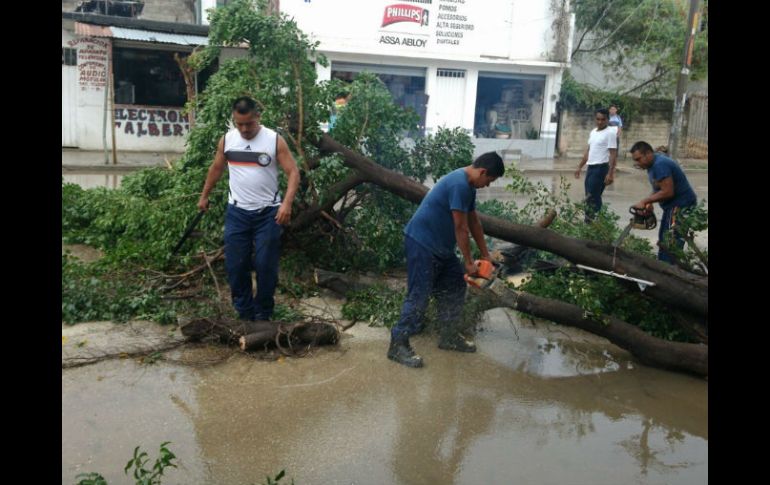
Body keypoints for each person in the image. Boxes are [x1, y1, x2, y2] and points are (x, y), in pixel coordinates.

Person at [387, 152, 505, 368]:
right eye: (489, 181)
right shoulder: (459, 185)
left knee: (455, 285)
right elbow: (460, 227)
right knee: (419, 296)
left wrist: (486, 255)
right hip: (421, 244)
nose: (487, 185)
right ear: (483, 172)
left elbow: (474, 223)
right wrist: (469, 262)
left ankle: (448, 336)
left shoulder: (468, 186)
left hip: (441, 248)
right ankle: (398, 343)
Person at [197, 96, 300, 321]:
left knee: (265, 265)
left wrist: (287, 203)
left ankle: (264, 312)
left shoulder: (274, 140)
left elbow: (293, 172)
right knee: (236, 264)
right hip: (237, 213)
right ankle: (244, 312)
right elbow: (216, 169)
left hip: (269, 214)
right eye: (239, 123)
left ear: (257, 117)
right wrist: (204, 196)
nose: (244, 129)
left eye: (248, 123)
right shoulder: (227, 140)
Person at [629, 141, 697, 264]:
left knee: (670, 242)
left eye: (639, 159)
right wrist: (650, 203)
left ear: (648, 153)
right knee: (665, 239)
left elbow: (668, 192)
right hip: (673, 206)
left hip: (680, 205)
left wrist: (645, 200)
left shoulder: (660, 165)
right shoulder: (653, 165)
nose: (637, 163)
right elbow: (659, 188)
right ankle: (663, 268)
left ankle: (669, 274)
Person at [574, 108, 617, 222]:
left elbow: (613, 154)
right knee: (590, 195)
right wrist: (579, 166)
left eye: (603, 119)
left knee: (592, 197)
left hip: (601, 168)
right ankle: (594, 220)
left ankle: (591, 221)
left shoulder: (610, 133)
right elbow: (589, 151)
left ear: (607, 120)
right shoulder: (593, 132)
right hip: (591, 168)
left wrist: (610, 173)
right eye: (598, 119)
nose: (600, 122)